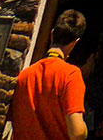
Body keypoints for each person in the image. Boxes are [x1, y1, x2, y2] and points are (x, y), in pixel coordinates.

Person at [9, 9, 88, 140]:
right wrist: (85, 128)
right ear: (75, 43)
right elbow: (77, 132)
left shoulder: (24, 75)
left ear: (52, 35)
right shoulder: (71, 75)